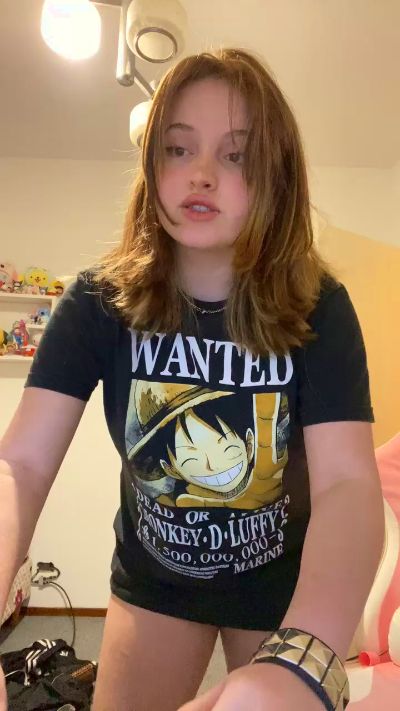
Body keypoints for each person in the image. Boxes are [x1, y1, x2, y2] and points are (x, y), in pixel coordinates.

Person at [0, 48, 384, 711]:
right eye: (178, 149)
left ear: (275, 178)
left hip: (287, 584)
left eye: (236, 155)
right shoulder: (96, 302)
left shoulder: (320, 305)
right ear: (152, 167)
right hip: (157, 579)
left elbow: (348, 484)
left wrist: (305, 656)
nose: (201, 173)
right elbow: (20, 465)